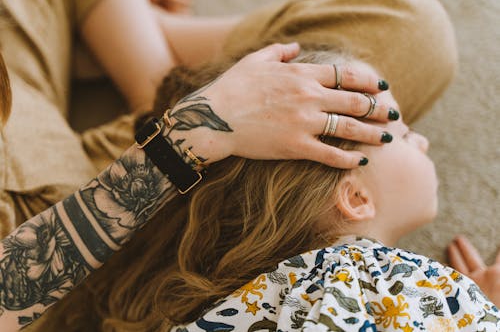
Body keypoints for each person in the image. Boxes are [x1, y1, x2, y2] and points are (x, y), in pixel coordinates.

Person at [28, 49, 500, 332]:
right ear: (355, 198)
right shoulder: (373, 276)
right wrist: (471, 310)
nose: (424, 140)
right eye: (402, 132)